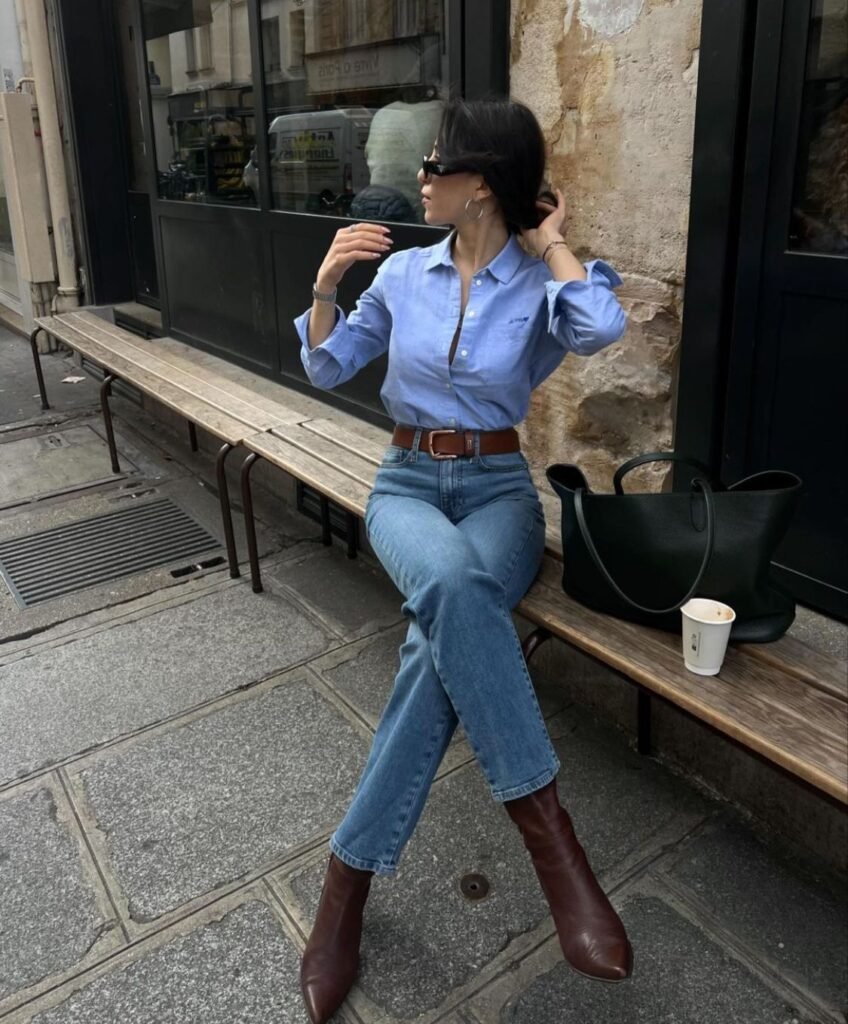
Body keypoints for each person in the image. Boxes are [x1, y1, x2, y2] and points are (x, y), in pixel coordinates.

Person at [293, 98, 632, 1024]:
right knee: (448, 587)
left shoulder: (537, 284)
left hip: (496, 497)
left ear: (480, 182)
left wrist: (553, 240)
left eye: (435, 164)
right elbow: (328, 368)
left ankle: (343, 894)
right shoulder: (402, 274)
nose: (421, 178)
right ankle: (559, 854)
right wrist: (327, 285)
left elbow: (603, 329)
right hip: (405, 486)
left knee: (434, 645)